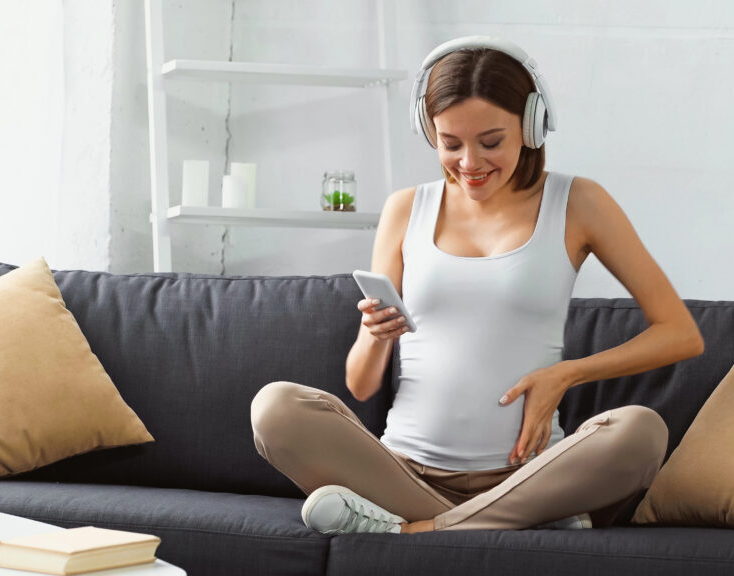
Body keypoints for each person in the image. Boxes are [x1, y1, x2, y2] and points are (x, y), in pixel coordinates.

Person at [251, 36, 704, 535]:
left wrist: (565, 375)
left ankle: (412, 532)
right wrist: (377, 337)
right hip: (403, 472)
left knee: (641, 432)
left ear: (531, 127)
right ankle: (508, 526)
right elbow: (360, 384)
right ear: (430, 133)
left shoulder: (578, 203)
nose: (470, 162)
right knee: (275, 408)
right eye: (451, 144)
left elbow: (680, 333)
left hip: (530, 475)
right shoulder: (406, 209)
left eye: (491, 142)